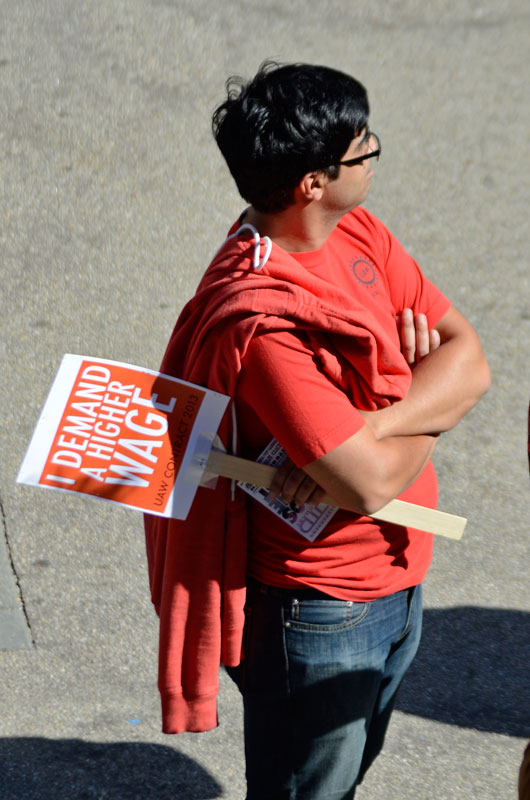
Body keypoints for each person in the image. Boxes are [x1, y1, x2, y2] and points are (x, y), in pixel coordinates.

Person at [144, 62, 490, 799]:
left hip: (398, 576)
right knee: (310, 791)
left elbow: (472, 361)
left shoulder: (357, 231)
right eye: (362, 148)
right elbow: (367, 483)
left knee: (343, 775)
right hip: (323, 612)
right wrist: (428, 398)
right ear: (312, 183)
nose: (373, 155)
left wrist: (382, 414)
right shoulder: (265, 327)